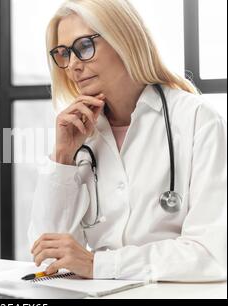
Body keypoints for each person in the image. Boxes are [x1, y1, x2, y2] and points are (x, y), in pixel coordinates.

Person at [28, 0, 227, 282]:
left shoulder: (198, 120)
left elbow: (212, 254)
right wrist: (63, 158)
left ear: (124, 40)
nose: (72, 66)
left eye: (84, 47)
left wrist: (99, 264)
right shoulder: (81, 134)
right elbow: (48, 258)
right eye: (63, 53)